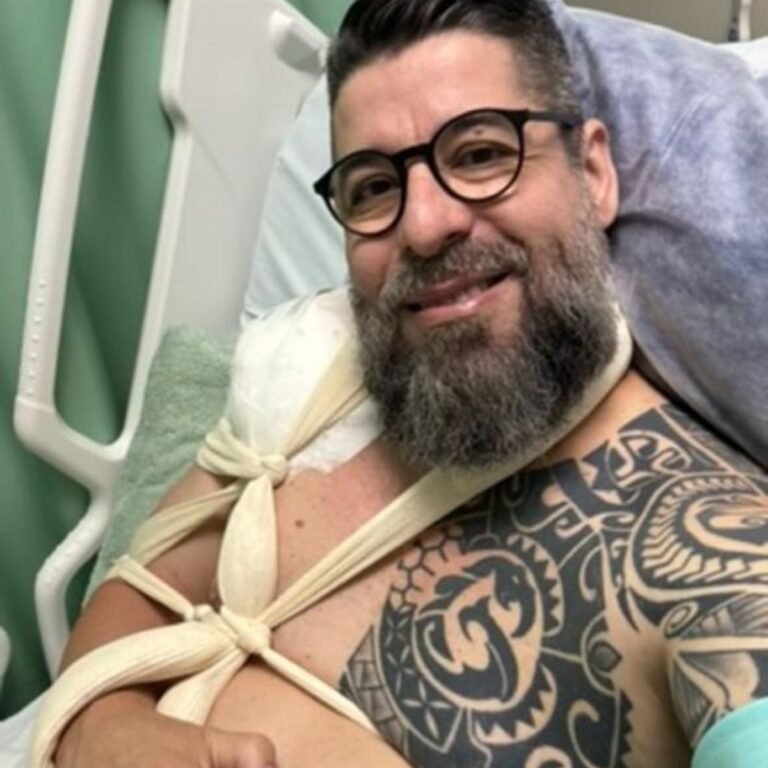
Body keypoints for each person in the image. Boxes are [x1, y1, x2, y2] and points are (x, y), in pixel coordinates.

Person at [39, 0, 768, 766]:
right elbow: (143, 587)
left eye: (481, 153)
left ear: (592, 174)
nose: (423, 226)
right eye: (373, 187)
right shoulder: (310, 375)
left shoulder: (705, 557)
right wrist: (101, 726)